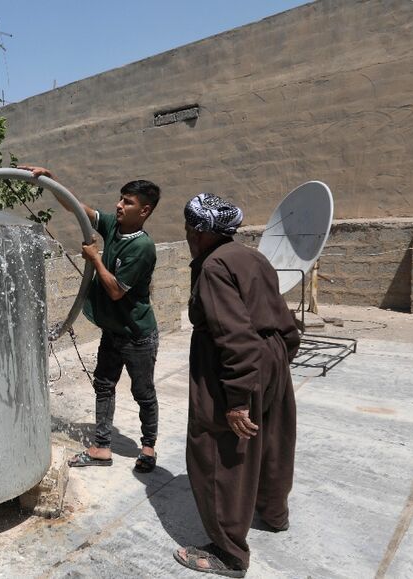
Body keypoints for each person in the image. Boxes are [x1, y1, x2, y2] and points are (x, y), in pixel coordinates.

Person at [175, 193, 300, 578]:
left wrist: (238, 399)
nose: (186, 233)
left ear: (198, 230)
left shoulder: (213, 267)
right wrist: (274, 365)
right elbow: (280, 315)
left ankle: (228, 553)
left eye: (188, 226)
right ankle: (273, 513)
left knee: (217, 451)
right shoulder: (253, 256)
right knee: (272, 439)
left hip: (236, 364)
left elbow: (234, 336)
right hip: (274, 354)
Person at [23, 166, 162, 473]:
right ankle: (101, 447)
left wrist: (96, 259)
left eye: (128, 202)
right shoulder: (114, 225)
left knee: (143, 391)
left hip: (137, 334)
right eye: (120, 199)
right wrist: (50, 181)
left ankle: (148, 446)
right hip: (113, 332)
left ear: (145, 210)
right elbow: (77, 209)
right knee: (103, 385)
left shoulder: (142, 246)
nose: (119, 205)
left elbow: (115, 291)